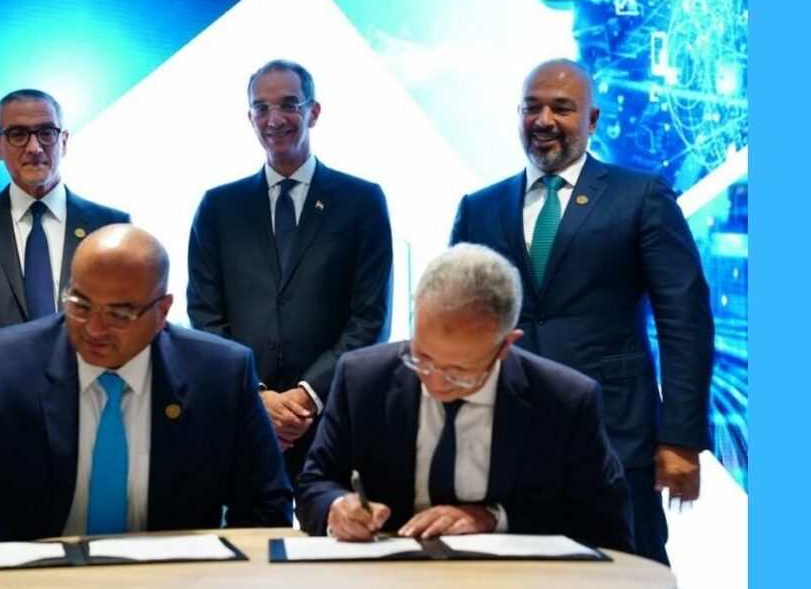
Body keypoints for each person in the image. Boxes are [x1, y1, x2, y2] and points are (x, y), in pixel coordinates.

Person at [448, 58, 713, 564]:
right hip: (506, 449)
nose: (543, 120)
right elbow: (453, 326)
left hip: (617, 439)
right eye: (531, 107)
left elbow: (684, 321)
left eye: (562, 108)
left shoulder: (641, 196)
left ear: (591, 120)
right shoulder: (478, 208)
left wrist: (681, 437)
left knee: (630, 574)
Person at [0, 224, 292, 551]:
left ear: (162, 312)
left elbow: (266, 508)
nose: (94, 329)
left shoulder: (220, 374)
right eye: (80, 304)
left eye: (119, 314)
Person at [296, 244, 633, 552]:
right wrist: (337, 507)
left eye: (459, 371)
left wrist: (495, 518)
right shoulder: (362, 379)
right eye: (422, 357)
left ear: (505, 346)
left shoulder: (563, 401)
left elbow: (604, 526)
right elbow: (314, 484)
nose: (435, 382)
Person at [187, 60, 393, 483]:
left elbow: (370, 318)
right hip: (244, 420)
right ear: (250, 117)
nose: (274, 119)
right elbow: (205, 317)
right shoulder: (218, 208)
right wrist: (257, 396)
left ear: (313, 112)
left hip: (333, 421)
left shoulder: (362, 201)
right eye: (261, 108)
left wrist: (306, 397)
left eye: (288, 105)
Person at [0, 88, 130, 377]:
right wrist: (10, 394)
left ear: (64, 141)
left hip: (94, 398)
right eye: (18, 134)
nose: (35, 147)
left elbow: (127, 324)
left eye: (46, 132)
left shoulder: (111, 227)